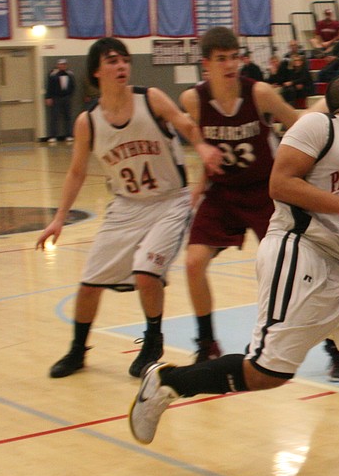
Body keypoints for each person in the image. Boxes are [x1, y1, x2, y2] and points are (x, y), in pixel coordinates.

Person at [127, 73, 339, 476]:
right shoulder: (319, 126)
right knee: (265, 372)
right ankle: (167, 382)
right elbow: (280, 184)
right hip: (297, 252)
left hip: (338, 264)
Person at [37, 38, 223, 379]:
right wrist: (59, 219)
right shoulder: (88, 121)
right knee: (89, 284)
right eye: (112, 61)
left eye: (125, 60)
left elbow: (185, 124)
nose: (121, 65)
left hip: (170, 202)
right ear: (96, 71)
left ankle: (152, 342)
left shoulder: (150, 98)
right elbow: (76, 172)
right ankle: (77, 351)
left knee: (146, 273)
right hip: (125, 206)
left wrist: (201, 146)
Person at [179, 27, 304, 363]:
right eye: (222, 59)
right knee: (193, 263)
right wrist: (200, 174)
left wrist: (298, 174)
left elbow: (299, 125)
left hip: (265, 191)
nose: (230, 65)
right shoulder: (193, 99)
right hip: (222, 193)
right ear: (206, 64)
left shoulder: (259, 93)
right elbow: (196, 135)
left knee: (292, 269)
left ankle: (333, 347)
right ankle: (207, 343)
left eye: (234, 57)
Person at [44, 58, 76, 143]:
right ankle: (53, 136)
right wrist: (48, 97)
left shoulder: (70, 74)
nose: (62, 66)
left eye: (64, 64)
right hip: (56, 97)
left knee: (68, 116)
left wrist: (69, 95)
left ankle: (69, 135)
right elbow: (49, 87)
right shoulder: (53, 74)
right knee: (54, 117)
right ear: (58, 65)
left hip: (66, 97)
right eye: (61, 64)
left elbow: (73, 86)